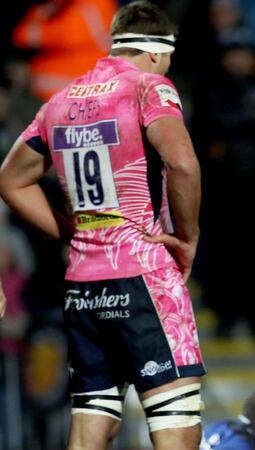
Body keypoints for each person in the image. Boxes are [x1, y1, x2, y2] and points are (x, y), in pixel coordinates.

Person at [0, 2, 205, 449]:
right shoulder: (151, 87)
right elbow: (183, 164)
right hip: (142, 274)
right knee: (175, 420)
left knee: (92, 426)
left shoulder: (59, 101)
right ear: (155, 52)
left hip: (83, 284)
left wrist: (73, 233)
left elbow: (11, 180)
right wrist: (187, 240)